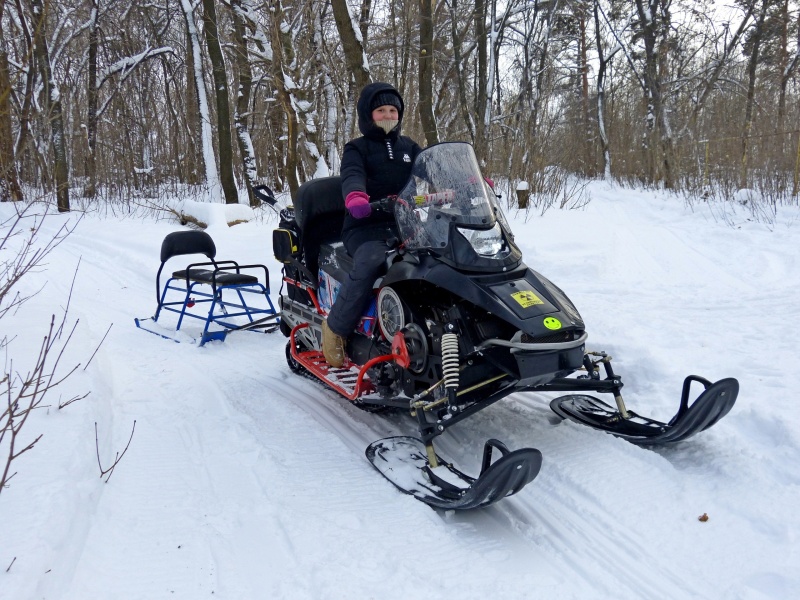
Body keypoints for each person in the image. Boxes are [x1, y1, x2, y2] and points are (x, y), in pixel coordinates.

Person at [321, 82, 422, 367]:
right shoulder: (357, 148)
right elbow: (352, 174)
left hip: (406, 225)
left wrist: (466, 184)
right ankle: (335, 329)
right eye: (381, 110)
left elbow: (433, 169)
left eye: (393, 109)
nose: (388, 115)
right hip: (364, 226)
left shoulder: (409, 147)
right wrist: (355, 196)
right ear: (368, 115)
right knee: (371, 262)